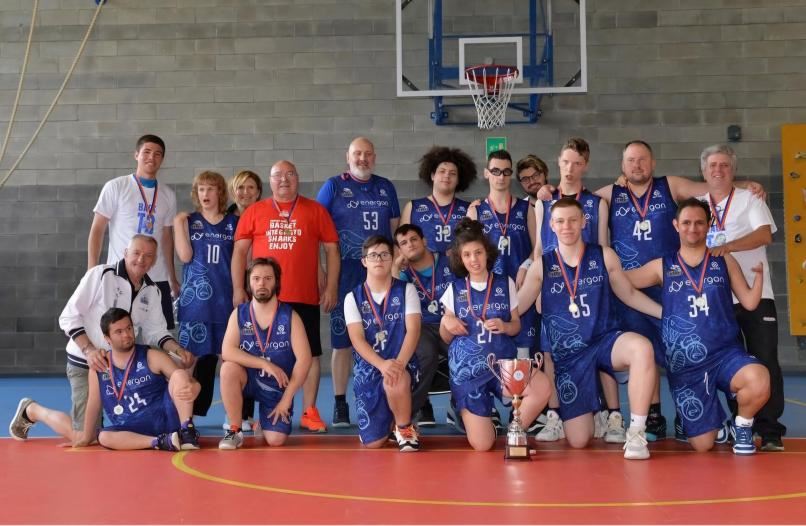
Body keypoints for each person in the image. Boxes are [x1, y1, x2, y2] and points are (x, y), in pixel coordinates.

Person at [13, 235, 193, 444]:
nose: (141, 259)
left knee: (125, 429)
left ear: (154, 261)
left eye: (148, 256)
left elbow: (157, 331)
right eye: (136, 253)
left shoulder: (152, 291)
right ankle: (32, 410)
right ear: (125, 253)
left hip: (122, 368)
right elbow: (68, 316)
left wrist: (177, 349)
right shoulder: (100, 275)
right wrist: (89, 350)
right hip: (86, 363)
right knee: (85, 437)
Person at [625, 198, 770, 454]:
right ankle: (719, 428)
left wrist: (758, 278)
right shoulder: (663, 265)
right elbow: (624, 281)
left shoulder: (723, 261)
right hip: (686, 365)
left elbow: (748, 302)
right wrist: (601, 261)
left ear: (708, 225)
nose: (693, 228)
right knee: (703, 445)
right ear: (676, 225)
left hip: (725, 353)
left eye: (699, 223)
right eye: (687, 223)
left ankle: (743, 426)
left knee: (759, 379)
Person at [518, 198, 661, 460]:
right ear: (551, 225)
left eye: (573, 220)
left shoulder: (604, 256)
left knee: (641, 348)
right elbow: (519, 306)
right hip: (570, 357)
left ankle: (637, 433)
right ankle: (593, 415)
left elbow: (628, 293)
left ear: (584, 221)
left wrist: (665, 313)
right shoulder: (542, 265)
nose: (567, 226)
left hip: (605, 341)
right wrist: (482, 313)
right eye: (560, 221)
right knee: (578, 440)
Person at [232, 160, 339, 433]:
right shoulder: (255, 212)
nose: (284, 180)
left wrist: (331, 288)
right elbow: (240, 254)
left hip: (304, 296)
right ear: (270, 181)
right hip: (264, 299)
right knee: (261, 353)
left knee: (311, 355)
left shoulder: (315, 210)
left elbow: (332, 251)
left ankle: (309, 410)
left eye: (290, 174)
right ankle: (264, 411)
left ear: (298, 178)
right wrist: (237, 288)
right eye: (278, 175)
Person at [10, 308, 200, 451]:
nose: (126, 334)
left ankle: (187, 431)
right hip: (130, 428)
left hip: (165, 418)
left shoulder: (150, 356)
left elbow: (185, 383)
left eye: (129, 328)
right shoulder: (100, 366)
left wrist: (196, 387)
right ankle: (33, 410)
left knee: (180, 374)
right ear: (107, 338)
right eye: (119, 331)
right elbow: (94, 403)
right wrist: (85, 436)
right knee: (101, 437)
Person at [698, 144, 785, 451]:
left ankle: (771, 430)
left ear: (733, 169)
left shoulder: (750, 199)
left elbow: (764, 235)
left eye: (724, 165)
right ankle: (739, 423)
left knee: (765, 360)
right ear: (704, 170)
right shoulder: (697, 205)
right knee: (728, 364)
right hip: (717, 299)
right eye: (713, 165)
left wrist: (727, 246)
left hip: (757, 295)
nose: (718, 170)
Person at [439, 218, 551, 451]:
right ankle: (463, 408)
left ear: (487, 253)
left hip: (502, 365)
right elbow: (445, 336)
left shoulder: (504, 283)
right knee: (483, 445)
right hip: (468, 372)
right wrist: (447, 321)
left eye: (478, 252)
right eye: (467, 254)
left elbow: (516, 326)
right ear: (460, 258)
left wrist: (504, 325)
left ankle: (515, 429)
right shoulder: (455, 289)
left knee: (541, 387)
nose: (474, 259)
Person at [317, 137, 401, 427]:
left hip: (381, 273)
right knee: (342, 342)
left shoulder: (385, 186)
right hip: (345, 274)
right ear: (347, 156)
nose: (362, 159)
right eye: (357, 154)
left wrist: (397, 269)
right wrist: (324, 278)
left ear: (374, 157)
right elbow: (314, 231)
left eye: (367, 154)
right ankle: (340, 403)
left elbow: (395, 233)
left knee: (386, 338)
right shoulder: (333, 186)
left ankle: (387, 398)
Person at [218, 258, 313, 449]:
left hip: (276, 384)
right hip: (248, 378)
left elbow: (304, 360)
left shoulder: (290, 317)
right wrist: (264, 364)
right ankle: (234, 430)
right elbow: (227, 351)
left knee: (276, 441)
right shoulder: (239, 314)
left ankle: (263, 421)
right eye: (256, 278)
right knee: (228, 369)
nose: (262, 283)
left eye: (268, 278)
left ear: (277, 282)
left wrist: (287, 399)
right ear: (249, 283)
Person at [87, 134, 179, 329]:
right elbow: (97, 229)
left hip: (157, 277)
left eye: (157, 154)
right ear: (136, 154)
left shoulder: (168, 194)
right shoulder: (116, 186)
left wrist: (172, 278)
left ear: (162, 159)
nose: (151, 158)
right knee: (119, 336)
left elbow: (167, 239)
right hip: (120, 277)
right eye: (146, 152)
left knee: (160, 336)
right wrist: (92, 272)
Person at [344, 236, 421, 451]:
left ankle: (404, 428)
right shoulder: (352, 297)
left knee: (394, 381)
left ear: (393, 258)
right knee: (374, 444)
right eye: (373, 255)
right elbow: (357, 339)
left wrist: (398, 364)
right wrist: (381, 364)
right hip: (370, 365)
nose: (379, 259)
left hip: (402, 362)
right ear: (364, 261)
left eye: (385, 254)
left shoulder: (407, 290)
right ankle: (388, 424)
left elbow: (413, 330)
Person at [174, 171, 238, 418]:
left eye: (210, 189)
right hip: (195, 303)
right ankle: (185, 419)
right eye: (201, 189)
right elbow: (185, 256)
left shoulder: (233, 223)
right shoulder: (189, 221)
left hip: (225, 301)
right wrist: (179, 224)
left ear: (220, 192)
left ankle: (234, 419)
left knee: (229, 359)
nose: (205, 194)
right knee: (189, 360)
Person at [467, 150, 538, 358]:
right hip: (491, 294)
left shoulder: (527, 209)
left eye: (506, 171)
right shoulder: (476, 211)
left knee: (523, 361)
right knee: (494, 357)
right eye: (496, 171)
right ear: (486, 173)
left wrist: (526, 266)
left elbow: (537, 248)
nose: (501, 176)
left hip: (521, 289)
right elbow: (469, 255)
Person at [393, 224, 455, 426]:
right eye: (403, 243)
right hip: (421, 327)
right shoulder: (403, 274)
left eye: (413, 239)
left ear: (424, 241)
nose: (410, 245)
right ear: (400, 250)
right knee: (425, 354)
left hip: (449, 323)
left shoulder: (448, 261)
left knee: (464, 352)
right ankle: (411, 411)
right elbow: (392, 301)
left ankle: (462, 406)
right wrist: (395, 267)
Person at [225, 169, 263, 431]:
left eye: (251, 188)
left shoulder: (265, 214)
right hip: (234, 290)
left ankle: (252, 414)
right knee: (236, 353)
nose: (245, 193)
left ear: (259, 192)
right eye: (240, 188)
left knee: (257, 348)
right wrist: (237, 288)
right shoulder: (224, 220)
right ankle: (237, 415)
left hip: (260, 289)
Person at [400, 146, 476, 255]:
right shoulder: (412, 207)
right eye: (442, 171)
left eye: (453, 173)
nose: (447, 176)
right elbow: (402, 245)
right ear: (432, 175)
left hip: (458, 269)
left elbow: (474, 244)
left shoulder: (469, 209)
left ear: (459, 180)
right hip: (423, 269)